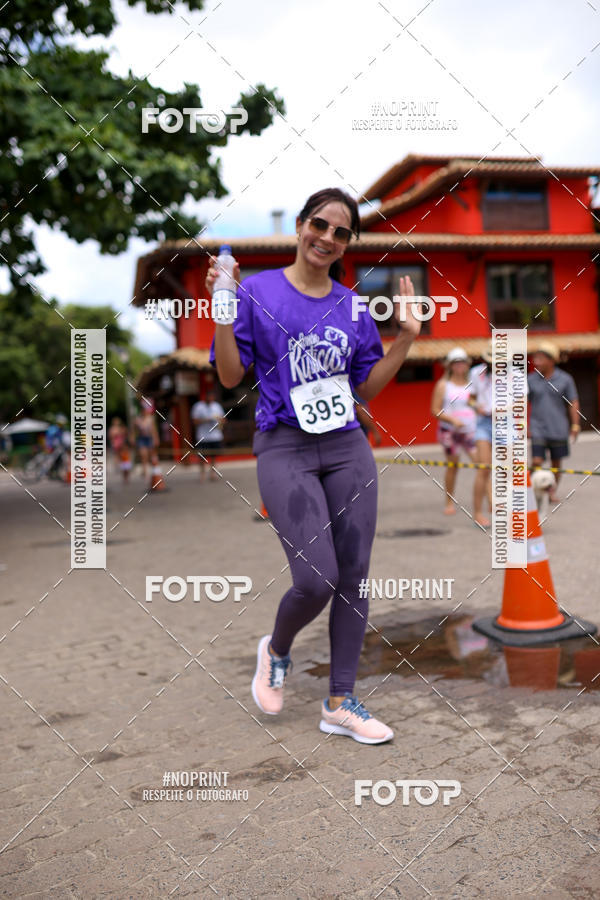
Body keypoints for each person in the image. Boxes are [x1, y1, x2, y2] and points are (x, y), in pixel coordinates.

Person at [208, 187, 421, 744]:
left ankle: (340, 702)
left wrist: (403, 339)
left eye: (341, 232)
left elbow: (365, 387)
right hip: (285, 447)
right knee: (316, 576)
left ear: (348, 243)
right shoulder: (256, 292)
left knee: (353, 575)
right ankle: (276, 649)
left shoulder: (352, 306)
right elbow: (231, 378)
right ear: (300, 226)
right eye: (319, 225)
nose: (327, 237)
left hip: (347, 446)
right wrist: (223, 315)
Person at [528, 341, 580, 502]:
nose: (537, 362)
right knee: (537, 461)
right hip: (537, 428)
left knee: (556, 463)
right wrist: (522, 425)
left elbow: (573, 402)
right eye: (536, 358)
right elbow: (522, 403)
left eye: (541, 358)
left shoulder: (565, 379)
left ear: (551, 360)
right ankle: (532, 490)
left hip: (558, 428)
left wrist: (575, 424)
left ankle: (551, 491)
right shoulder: (530, 379)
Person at [431, 348, 477, 515]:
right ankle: (449, 501)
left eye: (462, 362)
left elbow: (475, 405)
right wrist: (452, 420)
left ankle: (491, 501)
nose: (460, 366)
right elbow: (435, 409)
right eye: (456, 363)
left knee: (482, 465)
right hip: (449, 431)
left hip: (470, 430)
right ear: (450, 366)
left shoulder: (472, 385)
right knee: (453, 466)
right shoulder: (443, 385)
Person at [469, 343, 493, 528]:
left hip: (506, 423)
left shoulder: (515, 374)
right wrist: (478, 407)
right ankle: (477, 512)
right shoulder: (477, 372)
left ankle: (509, 511)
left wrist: (503, 409)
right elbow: (471, 398)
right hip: (484, 423)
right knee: (483, 468)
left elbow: (521, 402)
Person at [190, 389, 226, 482]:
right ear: (205, 397)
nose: (211, 399)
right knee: (202, 457)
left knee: (213, 456)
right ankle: (202, 474)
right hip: (203, 436)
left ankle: (212, 474)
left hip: (215, 436)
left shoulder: (217, 406)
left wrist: (220, 421)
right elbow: (194, 421)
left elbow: (224, 419)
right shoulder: (198, 406)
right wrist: (207, 420)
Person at [134, 400, 159, 479]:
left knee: (151, 454)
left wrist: (156, 438)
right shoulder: (137, 419)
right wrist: (133, 438)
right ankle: (145, 471)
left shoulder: (150, 419)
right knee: (143, 455)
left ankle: (154, 470)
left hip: (149, 438)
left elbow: (154, 430)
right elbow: (134, 430)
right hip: (141, 438)